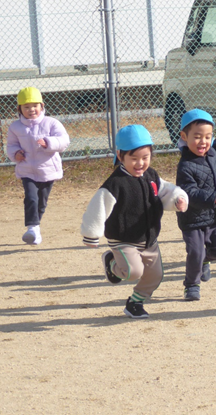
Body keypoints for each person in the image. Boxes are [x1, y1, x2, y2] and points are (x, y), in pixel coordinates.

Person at [80, 125, 188, 319]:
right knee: (133, 272)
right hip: (123, 239)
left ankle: (135, 302)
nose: (140, 163)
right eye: (134, 158)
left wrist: (178, 199)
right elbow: (98, 206)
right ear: (120, 156)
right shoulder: (115, 183)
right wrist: (91, 234)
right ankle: (112, 262)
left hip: (149, 238)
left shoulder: (151, 176)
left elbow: (166, 190)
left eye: (145, 157)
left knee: (155, 275)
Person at [176, 109, 216, 301]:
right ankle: (191, 284)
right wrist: (211, 197)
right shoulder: (185, 165)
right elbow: (189, 192)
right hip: (193, 219)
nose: (203, 142)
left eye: (208, 137)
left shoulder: (213, 155)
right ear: (184, 137)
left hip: (215, 215)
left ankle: (205, 260)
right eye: (197, 137)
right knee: (195, 252)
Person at [7, 87, 70, 246]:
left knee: (41, 201)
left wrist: (48, 142)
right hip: (27, 169)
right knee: (31, 197)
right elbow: (11, 145)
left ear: (42, 106)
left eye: (35, 106)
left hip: (47, 170)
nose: (31, 110)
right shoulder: (15, 127)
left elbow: (64, 141)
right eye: (26, 107)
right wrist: (15, 154)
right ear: (19, 109)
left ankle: (36, 227)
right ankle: (32, 228)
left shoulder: (51, 123)